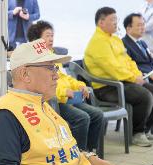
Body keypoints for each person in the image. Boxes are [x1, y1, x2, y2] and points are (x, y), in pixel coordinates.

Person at [0, 39, 121, 165]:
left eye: (55, 67)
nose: (56, 74)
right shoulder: (6, 114)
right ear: (25, 74)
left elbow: (55, 149)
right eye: (50, 67)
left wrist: (89, 158)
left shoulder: (42, 104)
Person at [84, 7, 153, 147]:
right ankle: (136, 134)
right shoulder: (98, 42)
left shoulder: (115, 39)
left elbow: (128, 61)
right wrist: (133, 78)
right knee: (144, 95)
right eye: (112, 20)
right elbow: (112, 69)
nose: (116, 22)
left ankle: (146, 131)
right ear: (101, 22)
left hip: (123, 81)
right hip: (107, 87)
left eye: (116, 19)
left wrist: (136, 74)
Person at [27, 20, 104, 152]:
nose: (51, 39)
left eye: (52, 35)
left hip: (68, 99)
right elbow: (42, 86)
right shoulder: (35, 60)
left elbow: (65, 77)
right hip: (52, 102)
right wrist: (63, 92)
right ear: (36, 40)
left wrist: (80, 85)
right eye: (47, 36)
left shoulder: (53, 56)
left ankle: (91, 152)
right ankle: (78, 154)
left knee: (97, 114)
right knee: (82, 118)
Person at [123, 13, 153, 84]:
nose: (143, 28)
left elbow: (152, 62)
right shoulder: (123, 44)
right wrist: (146, 74)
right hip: (145, 78)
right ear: (128, 29)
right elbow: (129, 66)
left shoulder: (142, 43)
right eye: (139, 25)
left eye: (143, 24)